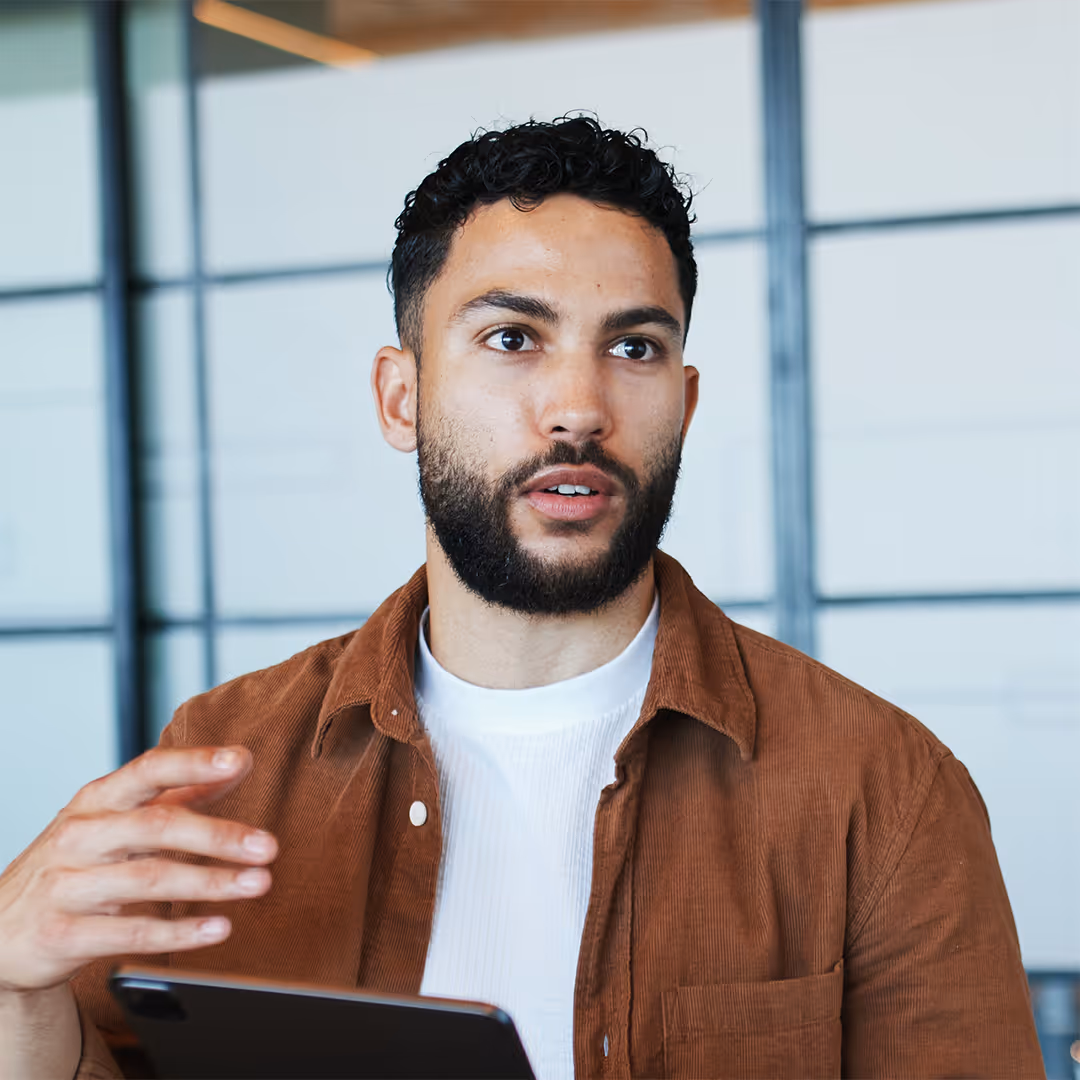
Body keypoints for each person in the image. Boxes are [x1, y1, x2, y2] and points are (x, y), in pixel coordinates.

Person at [0, 117, 1043, 1080]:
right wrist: (15, 988)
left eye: (633, 347)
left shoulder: (884, 791)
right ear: (401, 397)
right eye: (512, 338)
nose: (578, 409)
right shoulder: (225, 761)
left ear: (682, 404)